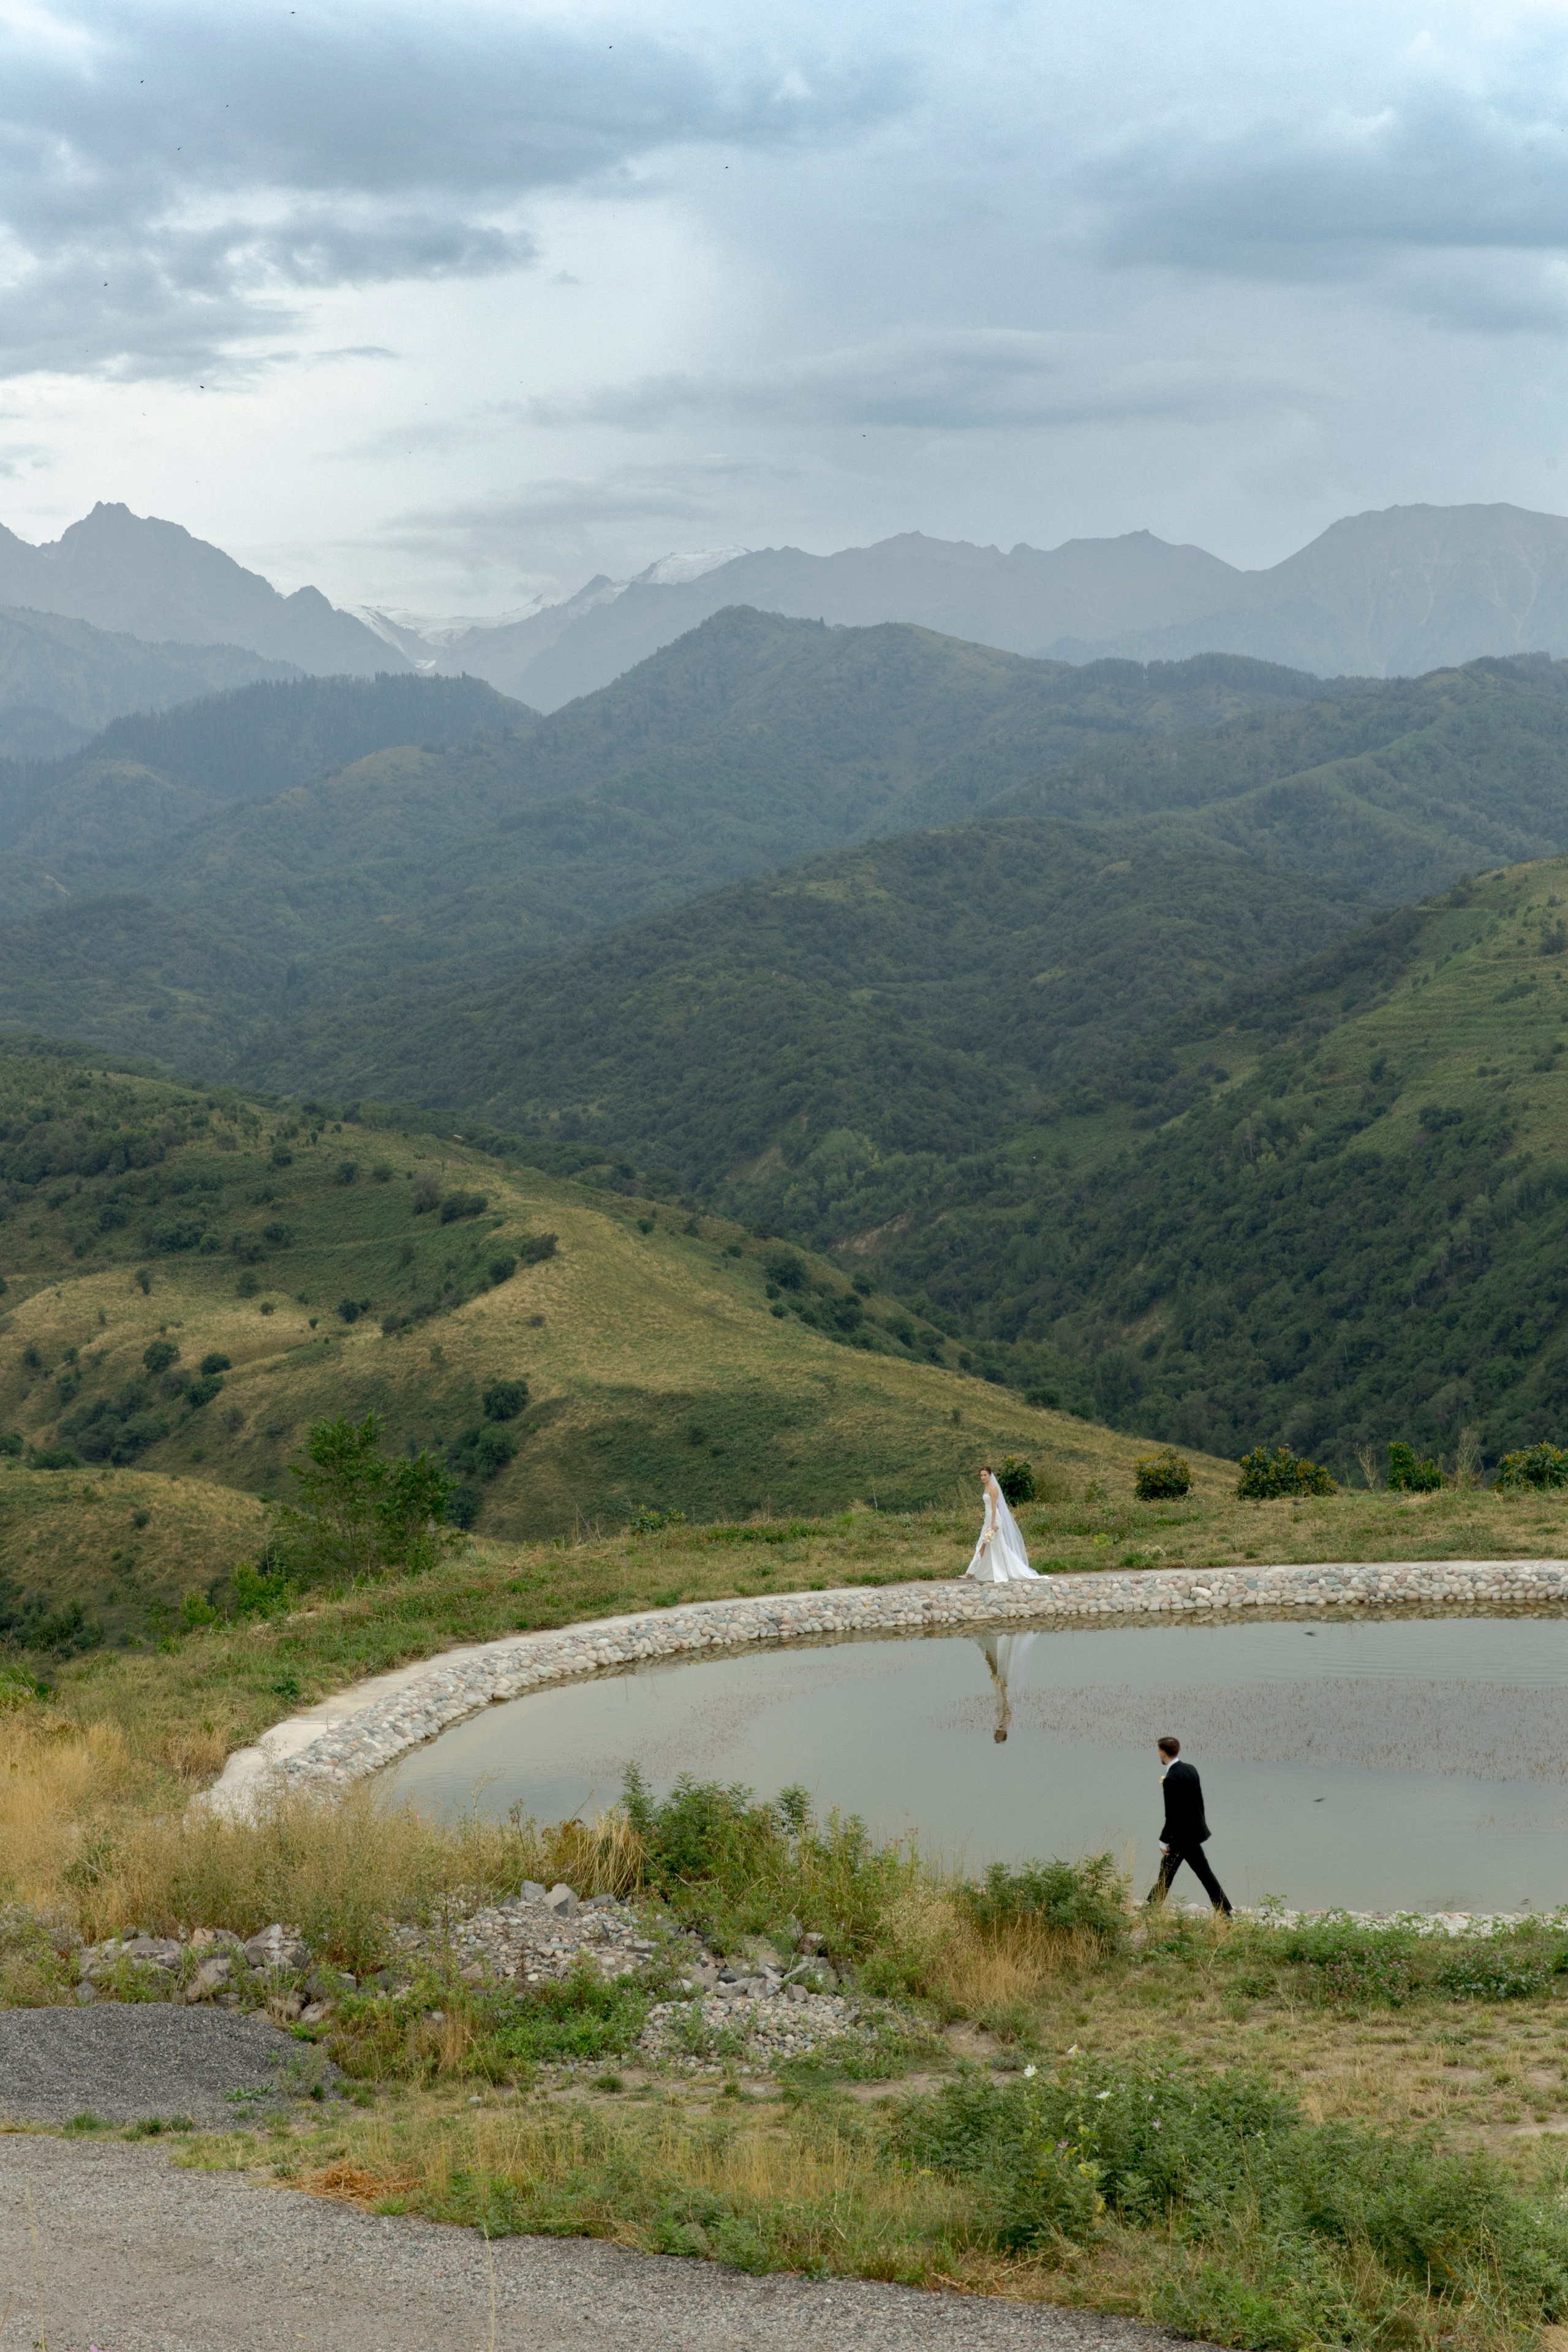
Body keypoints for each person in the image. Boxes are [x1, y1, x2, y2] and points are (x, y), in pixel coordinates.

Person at [1146, 1735, 1232, 1915]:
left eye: (1159, 1752)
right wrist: (1199, 1828)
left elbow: (1171, 1815)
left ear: (1163, 1753)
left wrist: (1163, 1840)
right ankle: (1225, 1912)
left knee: (1167, 1875)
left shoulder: (1171, 1779)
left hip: (1181, 1838)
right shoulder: (1191, 1769)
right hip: (1193, 1834)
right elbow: (1199, 1803)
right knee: (1203, 1873)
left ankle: (1150, 1911)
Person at [963, 1466, 1040, 1585]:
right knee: (989, 1545)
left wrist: (993, 1524)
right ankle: (979, 1572)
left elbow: (995, 1507)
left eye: (985, 1475)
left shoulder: (993, 1489)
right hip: (988, 1520)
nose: (983, 1478)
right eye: (981, 1475)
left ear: (990, 1475)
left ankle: (970, 1573)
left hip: (994, 1521)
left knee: (985, 1544)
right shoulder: (987, 1487)